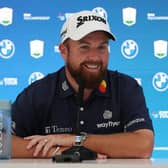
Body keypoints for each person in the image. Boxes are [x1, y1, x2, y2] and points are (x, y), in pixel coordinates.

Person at [11, 10, 154, 159]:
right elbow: (3, 143)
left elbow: (144, 146)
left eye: (102, 47)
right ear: (63, 51)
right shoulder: (39, 92)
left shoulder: (126, 87)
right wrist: (59, 152)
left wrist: (76, 140)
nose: (94, 57)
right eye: (84, 47)